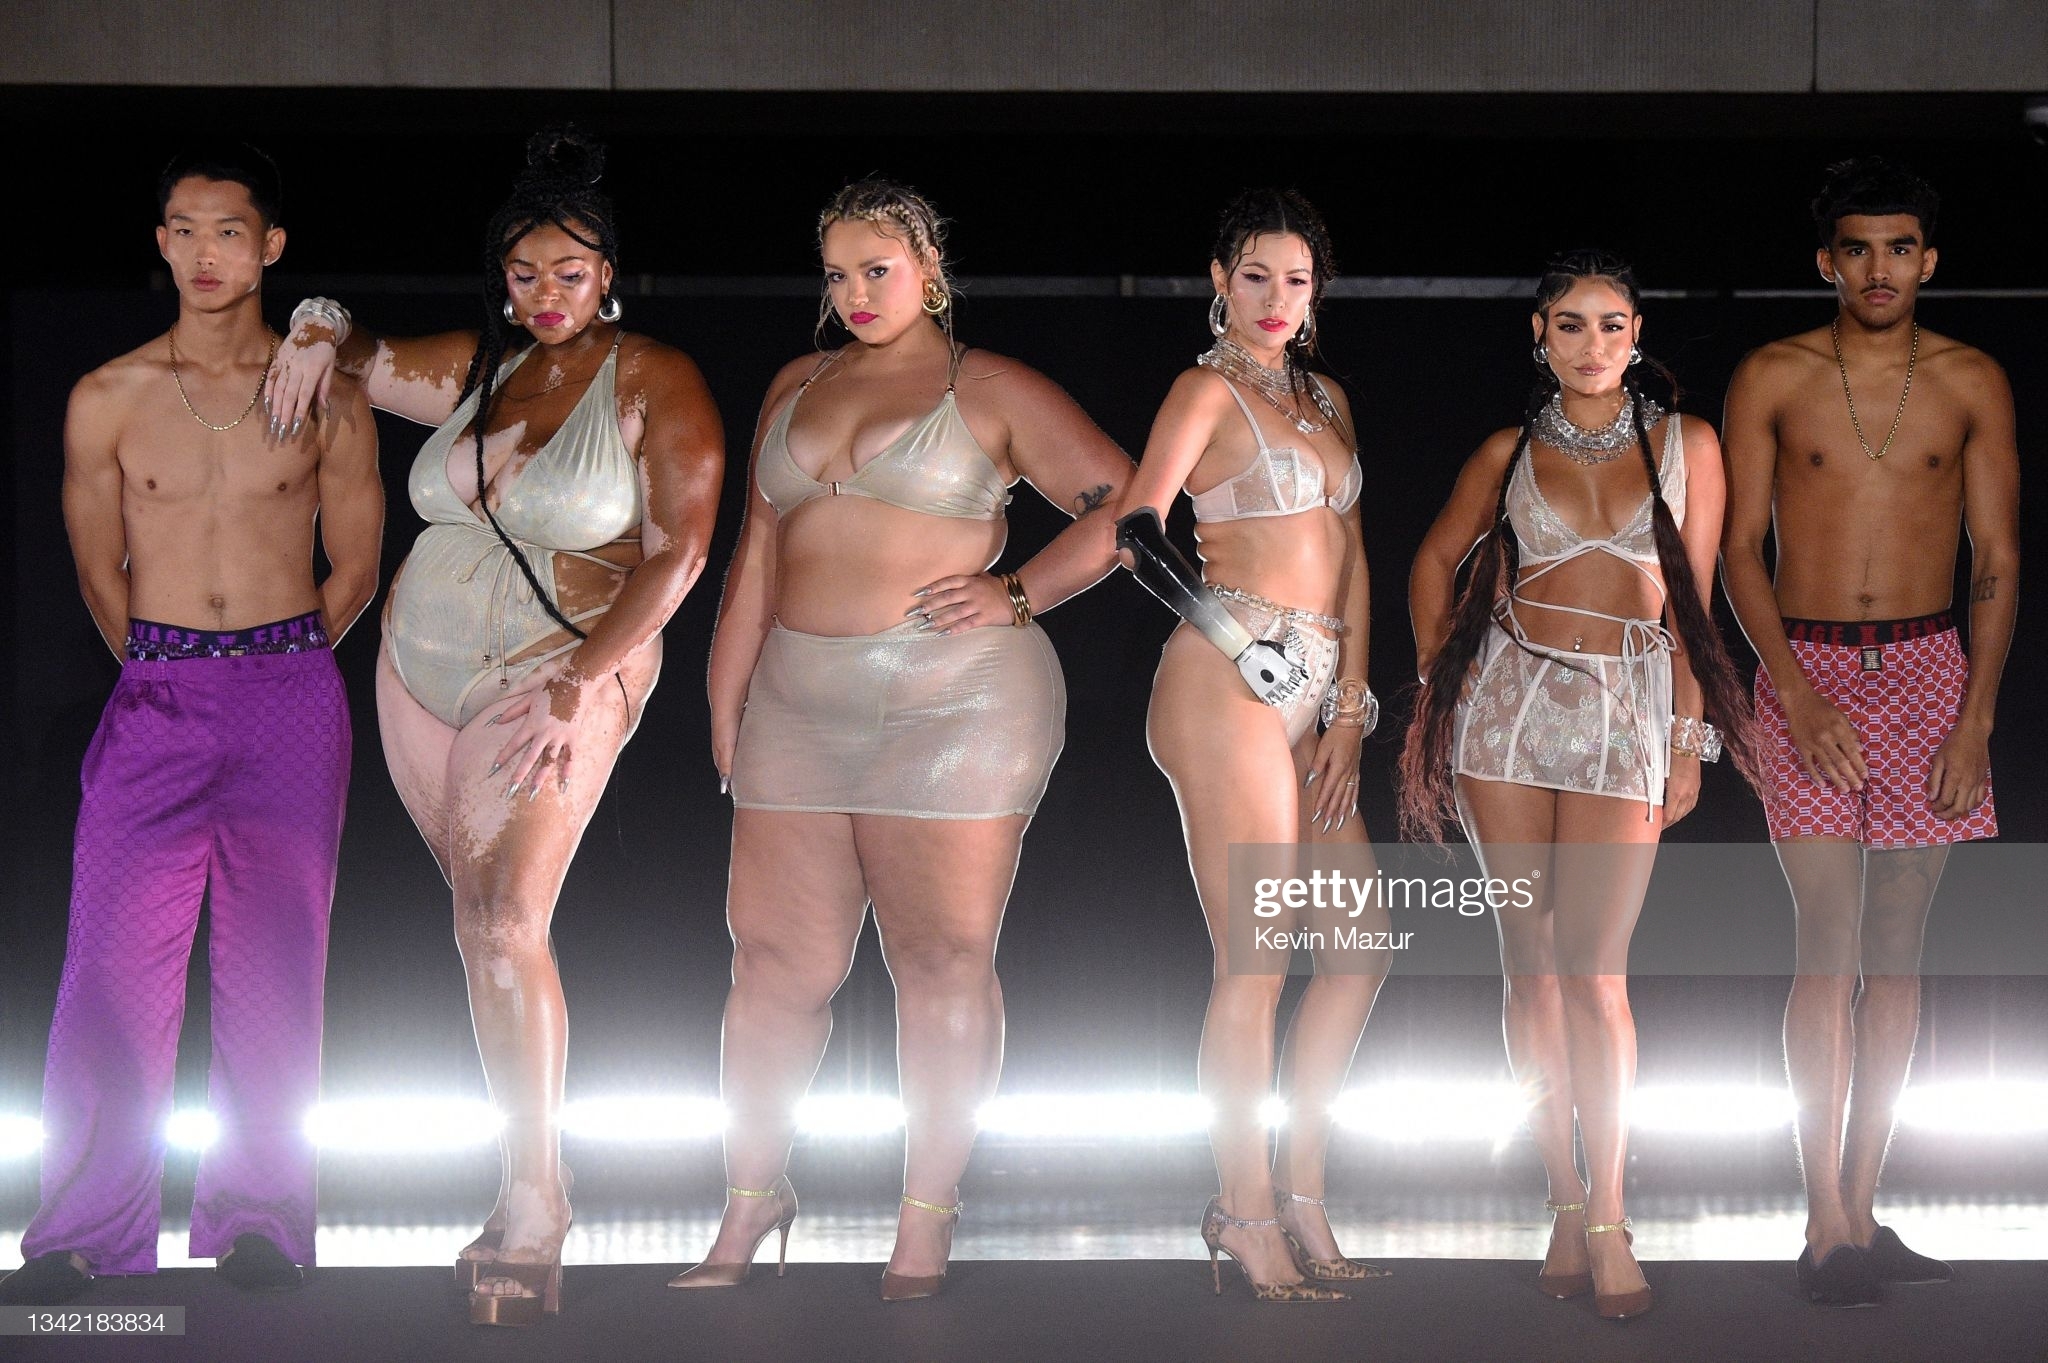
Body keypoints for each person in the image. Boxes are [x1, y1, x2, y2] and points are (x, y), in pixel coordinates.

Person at [261, 128, 724, 1327]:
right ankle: (524, 1184)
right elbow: (358, 356)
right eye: (524, 274)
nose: (546, 294)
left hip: (555, 672)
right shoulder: (478, 366)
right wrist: (312, 322)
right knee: (477, 930)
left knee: (508, 918)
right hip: (418, 675)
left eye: (569, 272)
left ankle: (535, 1202)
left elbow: (678, 554)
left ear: (606, 272)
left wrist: (585, 679)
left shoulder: (649, 377)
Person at [679, 179, 1129, 1301]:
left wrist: (1018, 591)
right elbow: (756, 553)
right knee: (772, 966)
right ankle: (750, 1197)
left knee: (939, 959)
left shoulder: (991, 387)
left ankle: (925, 1218)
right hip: (795, 697)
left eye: (877, 270)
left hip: (952, 700)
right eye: (837, 274)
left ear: (929, 270)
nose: (856, 293)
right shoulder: (796, 383)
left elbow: (1127, 509)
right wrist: (725, 697)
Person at [0, 144, 382, 1306]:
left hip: (289, 692)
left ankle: (260, 1219)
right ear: (160, 243)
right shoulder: (107, 395)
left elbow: (357, 563)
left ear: (269, 248)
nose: (204, 252)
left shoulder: (326, 391)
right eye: (183, 228)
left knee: (277, 966)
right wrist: (169, 670)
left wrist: (277, 661)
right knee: (109, 971)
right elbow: (96, 569)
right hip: (156, 693)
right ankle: (84, 1231)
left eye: (229, 231)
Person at [1402, 251, 1758, 1321]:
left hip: (1624, 715)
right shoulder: (1506, 450)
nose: (1591, 344)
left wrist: (1690, 735)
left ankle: (1608, 1215)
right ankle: (1561, 1202)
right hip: (1506, 714)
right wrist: (1445, 685)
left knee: (1595, 973)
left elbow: (1692, 597)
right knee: (1530, 967)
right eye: (1570, 324)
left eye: (1610, 324)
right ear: (1539, 335)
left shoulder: (1689, 444)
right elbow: (1431, 563)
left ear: (1636, 334)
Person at [1720, 157, 2016, 1307]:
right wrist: (1790, 692)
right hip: (1805, 670)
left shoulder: (1969, 378)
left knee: (1895, 954)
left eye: (1897, 247)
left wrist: (1973, 716)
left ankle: (1862, 1205)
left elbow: (1994, 556)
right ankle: (1819, 1221)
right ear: (1825, 261)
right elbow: (1738, 549)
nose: (1877, 267)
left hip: (1930, 669)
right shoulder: (1773, 373)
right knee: (1825, 946)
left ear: (1926, 260)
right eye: (1856, 248)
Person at [1113, 189, 1387, 1302]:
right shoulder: (1204, 389)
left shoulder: (1326, 397)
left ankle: (1299, 1189)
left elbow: (1353, 553)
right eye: (1256, 276)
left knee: (1358, 950)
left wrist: (1348, 708)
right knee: (1258, 961)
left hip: (1316, 689)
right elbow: (1138, 533)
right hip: (1225, 674)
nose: (1277, 298)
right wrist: (1245, 648)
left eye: (1297, 280)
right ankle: (1242, 1209)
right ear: (1220, 280)